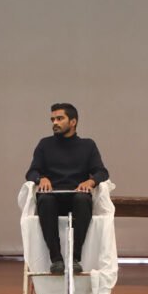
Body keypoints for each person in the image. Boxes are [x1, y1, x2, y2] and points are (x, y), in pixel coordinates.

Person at [25, 103, 109, 275]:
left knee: (82, 199)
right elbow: (31, 172)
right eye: (52, 119)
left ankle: (74, 258)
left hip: (77, 196)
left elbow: (102, 172)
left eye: (59, 118)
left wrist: (91, 182)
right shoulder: (45, 144)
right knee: (45, 199)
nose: (55, 122)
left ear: (73, 122)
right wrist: (41, 178)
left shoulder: (88, 145)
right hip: (53, 196)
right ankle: (56, 259)